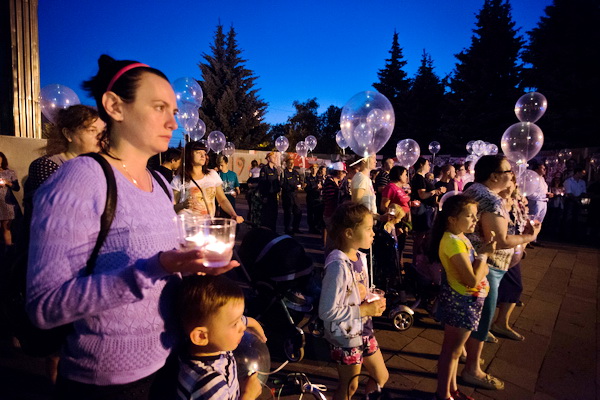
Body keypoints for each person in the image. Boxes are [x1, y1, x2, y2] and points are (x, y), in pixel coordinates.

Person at [26, 54, 240, 399]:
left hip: (170, 364)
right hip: (105, 383)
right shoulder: (81, 179)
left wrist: (199, 277)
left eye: (174, 111)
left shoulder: (160, 183)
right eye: (159, 107)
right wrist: (153, 269)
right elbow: (44, 306)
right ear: (114, 106)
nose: (174, 122)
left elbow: (164, 280)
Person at [20, 104, 105, 383]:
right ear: (68, 133)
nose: (99, 137)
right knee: (57, 333)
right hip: (55, 255)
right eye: (91, 130)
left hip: (89, 256)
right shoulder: (48, 165)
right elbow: (54, 213)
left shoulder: (100, 166)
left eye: (101, 131)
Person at [462, 155, 540, 390]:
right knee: (483, 315)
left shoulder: (474, 189)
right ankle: (472, 370)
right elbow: (501, 240)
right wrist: (529, 237)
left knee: (469, 314)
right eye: (507, 171)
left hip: (468, 259)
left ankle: (465, 353)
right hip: (487, 265)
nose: (512, 175)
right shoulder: (491, 201)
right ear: (494, 175)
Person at [319, 202, 388, 400]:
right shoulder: (337, 266)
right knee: (349, 386)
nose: (373, 233)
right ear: (349, 233)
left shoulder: (360, 257)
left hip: (364, 331)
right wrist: (364, 310)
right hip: (346, 336)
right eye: (368, 229)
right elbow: (326, 311)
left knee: (381, 376)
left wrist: (370, 299)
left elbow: (355, 293)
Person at [430, 194, 495, 400]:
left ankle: (452, 390)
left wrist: (482, 263)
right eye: (470, 216)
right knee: (451, 351)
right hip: (462, 302)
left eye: (476, 216)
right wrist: (485, 256)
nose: (475, 221)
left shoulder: (460, 237)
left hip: (468, 301)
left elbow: (476, 272)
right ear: (452, 218)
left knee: (456, 352)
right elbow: (472, 279)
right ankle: (444, 394)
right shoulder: (452, 242)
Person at [175, 275, 263, 400]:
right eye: (235, 323)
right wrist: (249, 395)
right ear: (201, 336)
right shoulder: (208, 384)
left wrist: (252, 322)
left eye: (241, 318)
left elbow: (226, 318)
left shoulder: (213, 344)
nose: (242, 327)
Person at [172, 142, 243, 223]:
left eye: (204, 153)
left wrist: (233, 214)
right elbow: (171, 208)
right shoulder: (179, 179)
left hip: (207, 226)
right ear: (189, 155)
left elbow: (222, 199)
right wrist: (182, 205)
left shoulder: (212, 174)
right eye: (198, 153)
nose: (203, 156)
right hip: (187, 227)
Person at [411, 158, 446, 258]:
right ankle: (416, 259)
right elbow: (422, 195)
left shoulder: (421, 178)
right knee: (420, 236)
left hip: (426, 210)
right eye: (427, 164)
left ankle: (419, 258)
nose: (429, 166)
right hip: (423, 211)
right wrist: (436, 191)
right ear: (421, 165)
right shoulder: (419, 178)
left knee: (423, 235)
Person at [0, 152, 21, 248]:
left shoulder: (9, 172)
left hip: (6, 204)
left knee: (6, 227)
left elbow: (17, 188)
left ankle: (8, 251)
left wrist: (8, 183)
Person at [258, 152, 281, 232]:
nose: (275, 158)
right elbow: (262, 183)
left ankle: (273, 231)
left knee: (274, 214)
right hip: (267, 196)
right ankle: (266, 231)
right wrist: (264, 196)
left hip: (274, 195)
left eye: (275, 157)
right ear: (268, 159)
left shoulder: (275, 170)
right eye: (273, 157)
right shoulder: (265, 169)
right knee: (267, 215)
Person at [563, 167, 587, 240]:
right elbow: (569, 192)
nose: (583, 175)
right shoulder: (568, 181)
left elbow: (583, 192)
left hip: (578, 201)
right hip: (570, 201)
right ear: (577, 172)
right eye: (582, 173)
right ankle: (566, 235)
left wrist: (580, 198)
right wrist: (575, 199)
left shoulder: (582, 182)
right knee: (568, 218)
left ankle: (574, 235)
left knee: (576, 218)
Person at [281, 157, 302, 235]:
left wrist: (301, 185)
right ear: (286, 164)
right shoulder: (284, 173)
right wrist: (291, 187)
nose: (292, 164)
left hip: (294, 195)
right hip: (287, 195)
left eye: (293, 162)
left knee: (298, 211)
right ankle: (287, 229)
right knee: (288, 213)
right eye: (290, 163)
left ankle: (295, 227)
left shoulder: (295, 172)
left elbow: (299, 181)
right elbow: (282, 184)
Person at [305, 164, 323, 233]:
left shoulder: (319, 177)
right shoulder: (308, 177)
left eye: (315, 168)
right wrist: (315, 187)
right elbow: (306, 188)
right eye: (313, 168)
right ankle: (311, 228)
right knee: (310, 213)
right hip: (310, 197)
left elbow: (322, 186)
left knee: (317, 213)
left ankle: (316, 227)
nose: (314, 170)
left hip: (317, 197)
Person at [246, 160, 262, 226]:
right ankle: (258, 222)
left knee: (251, 209)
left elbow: (249, 181)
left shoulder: (251, 172)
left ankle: (250, 222)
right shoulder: (260, 170)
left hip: (252, 194)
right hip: (258, 194)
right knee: (258, 209)